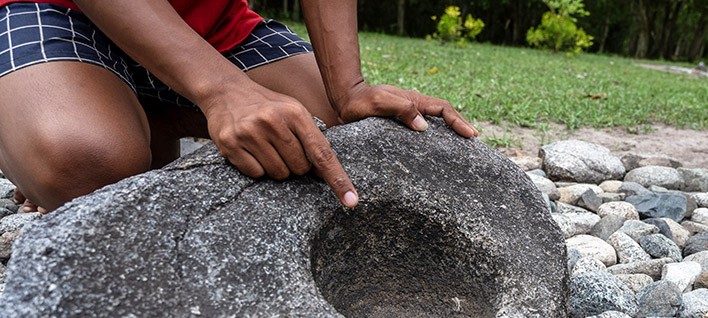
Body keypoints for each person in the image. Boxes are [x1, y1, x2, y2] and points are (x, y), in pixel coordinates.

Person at [0, 0, 478, 213]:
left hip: (208, 23)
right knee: (85, 161)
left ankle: (148, 114)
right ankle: (47, 110)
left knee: (338, 137)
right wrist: (223, 92)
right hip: (59, 11)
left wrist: (348, 87)